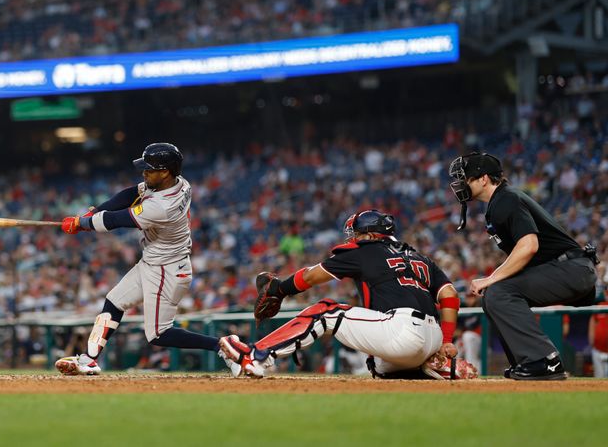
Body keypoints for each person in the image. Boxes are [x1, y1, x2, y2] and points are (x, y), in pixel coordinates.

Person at [219, 210, 475, 380]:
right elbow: (450, 295)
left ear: (371, 235)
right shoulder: (420, 257)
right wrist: (447, 339)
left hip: (403, 330)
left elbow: (310, 277)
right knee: (377, 364)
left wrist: (280, 289)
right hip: (433, 337)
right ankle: (429, 368)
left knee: (326, 310)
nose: (354, 238)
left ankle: (256, 355)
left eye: (357, 234)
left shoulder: (365, 251)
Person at [54, 142, 234, 375]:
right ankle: (89, 360)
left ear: (165, 171)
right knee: (115, 301)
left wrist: (83, 223)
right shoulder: (177, 183)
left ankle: (221, 346)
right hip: (154, 262)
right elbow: (129, 194)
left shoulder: (163, 206)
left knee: (159, 334)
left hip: (166, 269)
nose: (144, 173)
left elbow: (118, 220)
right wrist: (93, 212)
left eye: (150, 169)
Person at [449, 152, 598, 380]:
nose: (461, 184)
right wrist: (494, 279)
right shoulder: (500, 201)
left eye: (465, 178)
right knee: (493, 294)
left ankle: (544, 360)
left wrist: (492, 278)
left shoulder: (506, 198)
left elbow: (529, 245)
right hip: (564, 268)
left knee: (498, 291)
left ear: (483, 179)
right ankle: (527, 362)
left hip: (571, 268)